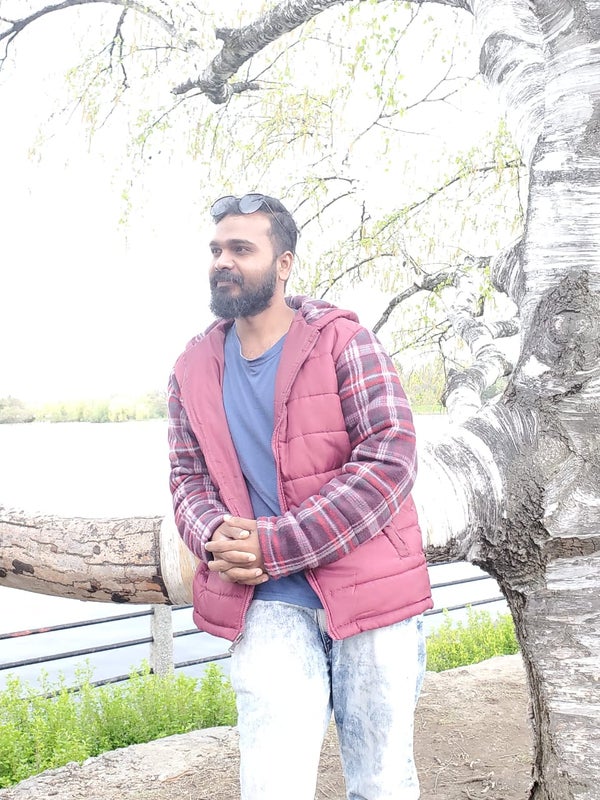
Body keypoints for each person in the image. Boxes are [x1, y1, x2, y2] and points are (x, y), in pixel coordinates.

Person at [167, 192, 433, 800]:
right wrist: (212, 535)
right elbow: (186, 477)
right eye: (216, 250)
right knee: (273, 784)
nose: (222, 262)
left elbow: (390, 456)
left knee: (382, 783)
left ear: (283, 264)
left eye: (241, 249)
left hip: (372, 595)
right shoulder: (191, 368)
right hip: (264, 603)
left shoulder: (344, 342)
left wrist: (276, 543)